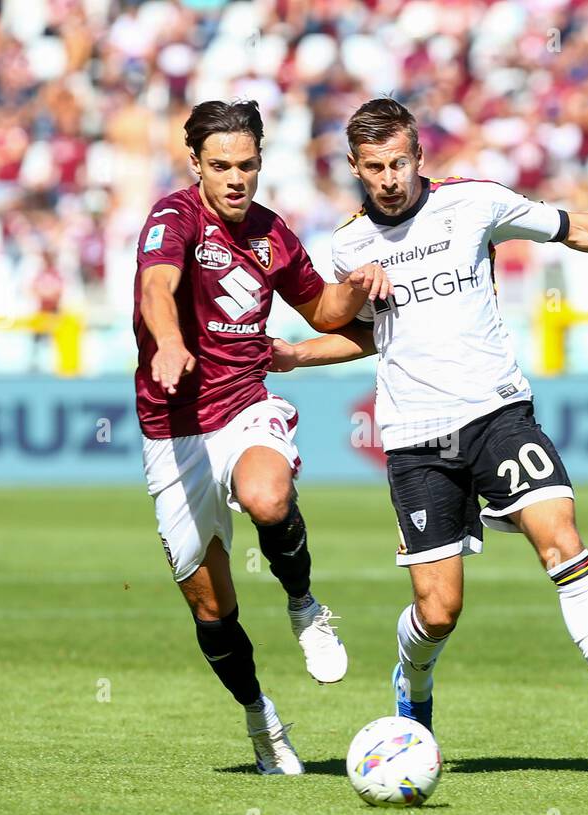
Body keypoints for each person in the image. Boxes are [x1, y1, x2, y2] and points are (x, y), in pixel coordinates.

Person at [271, 98, 588, 756]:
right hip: (417, 438)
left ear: (419, 157)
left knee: (562, 537)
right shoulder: (349, 244)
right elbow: (363, 335)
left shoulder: (475, 204)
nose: (388, 177)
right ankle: (412, 677)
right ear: (353, 167)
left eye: (399, 162)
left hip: (498, 413)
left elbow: (574, 227)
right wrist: (295, 354)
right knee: (439, 611)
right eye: (374, 166)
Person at [133, 100, 390, 774]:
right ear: (196, 165)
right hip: (174, 433)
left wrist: (357, 284)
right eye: (221, 166)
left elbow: (322, 308)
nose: (235, 178)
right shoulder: (173, 218)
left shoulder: (274, 234)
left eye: (247, 165)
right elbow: (157, 288)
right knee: (213, 610)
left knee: (268, 498)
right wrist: (167, 341)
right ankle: (261, 719)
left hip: (247, 405)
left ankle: (306, 606)